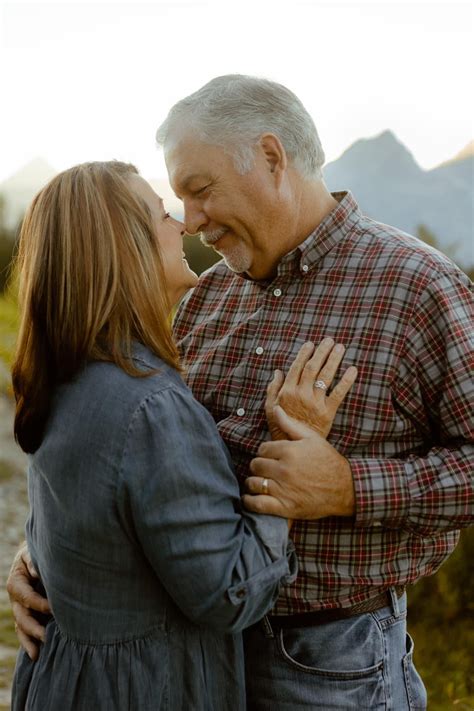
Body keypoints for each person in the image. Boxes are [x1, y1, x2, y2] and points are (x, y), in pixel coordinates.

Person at [9, 76, 473, 708]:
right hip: (190, 660)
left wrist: (346, 486)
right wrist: (53, 553)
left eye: (200, 192)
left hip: (328, 666)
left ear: (272, 159)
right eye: (178, 201)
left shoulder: (419, 289)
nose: (192, 222)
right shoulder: (206, 297)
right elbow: (138, 459)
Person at [7, 160, 356, 711]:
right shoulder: (150, 407)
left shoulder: (68, 375)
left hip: (65, 681)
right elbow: (229, 593)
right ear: (127, 248)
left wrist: (37, 560)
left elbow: (89, 522)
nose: (185, 227)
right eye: (163, 215)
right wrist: (294, 452)